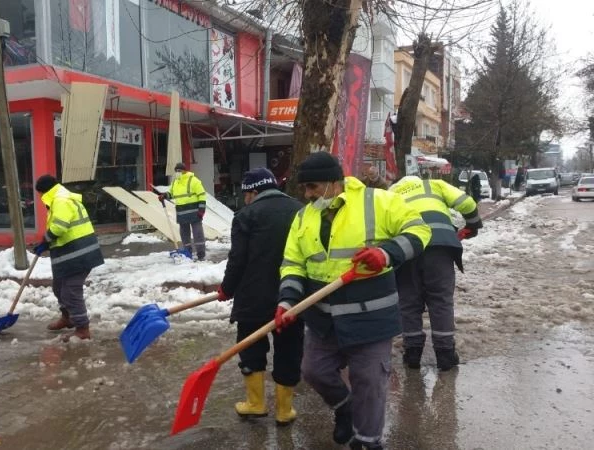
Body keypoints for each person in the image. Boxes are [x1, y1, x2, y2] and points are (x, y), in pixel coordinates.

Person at [274, 152, 431, 450]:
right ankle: (344, 406)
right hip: (323, 320)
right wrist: (287, 301)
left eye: (313, 188)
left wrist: (385, 253)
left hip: (370, 318)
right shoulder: (303, 216)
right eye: (305, 188)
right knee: (313, 371)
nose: (307, 195)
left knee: (369, 381)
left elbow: (419, 231)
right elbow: (293, 263)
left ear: (336, 183)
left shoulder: (379, 201)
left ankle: (368, 441)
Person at [216, 167, 303, 426]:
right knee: (289, 348)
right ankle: (284, 410)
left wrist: (227, 289)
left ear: (253, 192)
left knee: (251, 346)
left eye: (246, 195)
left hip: (253, 295)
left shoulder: (246, 215)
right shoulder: (300, 210)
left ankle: (255, 404)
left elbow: (238, 259)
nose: (244, 200)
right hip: (293, 293)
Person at [389, 176, 482, 371]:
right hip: (440, 246)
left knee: (409, 302)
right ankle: (445, 354)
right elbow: (467, 203)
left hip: (408, 249)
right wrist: (473, 226)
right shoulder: (433, 185)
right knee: (440, 300)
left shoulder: (391, 194)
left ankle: (412, 354)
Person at [33, 174, 104, 341]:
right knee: (59, 287)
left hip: (79, 254)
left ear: (44, 192)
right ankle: (68, 318)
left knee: (71, 291)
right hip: (69, 254)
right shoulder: (59, 198)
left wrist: (46, 239)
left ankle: (82, 328)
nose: (41, 198)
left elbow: (59, 227)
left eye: (40, 194)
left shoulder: (61, 200)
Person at [159, 162, 207, 260]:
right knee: (184, 234)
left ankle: (201, 253)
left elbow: (202, 195)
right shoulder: (175, 182)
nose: (177, 172)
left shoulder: (194, 180)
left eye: (179, 170)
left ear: (185, 170)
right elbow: (171, 194)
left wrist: (201, 210)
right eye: (176, 171)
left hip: (194, 212)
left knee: (198, 233)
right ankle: (187, 251)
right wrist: (164, 196)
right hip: (181, 213)